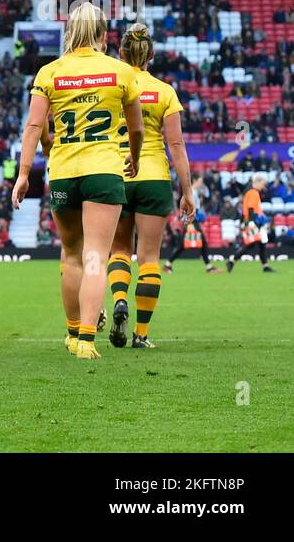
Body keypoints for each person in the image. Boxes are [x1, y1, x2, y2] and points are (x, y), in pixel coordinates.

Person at [13, 2, 143, 361]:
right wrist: (133, 154)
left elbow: (35, 127)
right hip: (104, 169)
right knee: (96, 257)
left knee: (71, 255)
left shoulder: (49, 73)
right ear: (103, 34)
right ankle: (87, 339)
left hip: (64, 172)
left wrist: (24, 174)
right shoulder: (121, 72)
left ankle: (72, 334)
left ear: (69, 32)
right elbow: (136, 128)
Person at [104, 23, 195, 349]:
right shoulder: (165, 91)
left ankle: (118, 300)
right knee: (149, 258)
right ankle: (141, 334)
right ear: (152, 55)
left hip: (117, 174)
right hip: (154, 177)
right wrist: (187, 190)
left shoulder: (112, 86)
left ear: (121, 52)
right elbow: (177, 145)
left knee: (118, 250)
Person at [226, 173, 276, 273]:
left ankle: (265, 265)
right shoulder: (253, 193)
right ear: (257, 182)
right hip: (253, 222)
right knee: (251, 244)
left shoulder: (250, 192)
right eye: (262, 184)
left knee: (260, 243)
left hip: (252, 221)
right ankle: (232, 260)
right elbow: (250, 208)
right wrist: (252, 222)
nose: (263, 186)